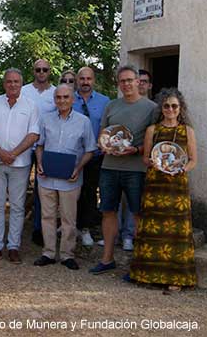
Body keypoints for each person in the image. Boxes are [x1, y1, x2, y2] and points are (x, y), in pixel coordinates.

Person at [128, 88, 198, 291]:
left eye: (174, 106)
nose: (170, 109)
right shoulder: (153, 130)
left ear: (180, 108)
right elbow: (145, 158)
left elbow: (193, 160)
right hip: (155, 186)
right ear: (162, 108)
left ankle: (176, 279)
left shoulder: (188, 131)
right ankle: (147, 275)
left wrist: (182, 168)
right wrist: (151, 162)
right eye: (166, 106)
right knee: (152, 229)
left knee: (176, 232)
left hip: (177, 187)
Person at [90, 65, 157, 275]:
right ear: (118, 84)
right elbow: (103, 134)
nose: (126, 84)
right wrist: (104, 145)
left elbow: (155, 141)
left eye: (130, 80)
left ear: (138, 82)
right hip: (110, 166)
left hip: (136, 169)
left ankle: (138, 265)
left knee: (137, 214)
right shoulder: (111, 106)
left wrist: (136, 149)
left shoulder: (152, 108)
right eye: (122, 81)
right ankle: (107, 259)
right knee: (108, 212)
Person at [33, 84, 96, 270]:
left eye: (66, 97)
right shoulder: (45, 119)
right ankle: (49, 253)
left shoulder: (83, 121)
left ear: (73, 99)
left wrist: (79, 167)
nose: (62, 101)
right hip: (47, 177)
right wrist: (40, 163)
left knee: (69, 219)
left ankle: (68, 254)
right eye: (58, 97)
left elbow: (90, 149)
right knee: (47, 216)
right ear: (55, 100)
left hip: (71, 179)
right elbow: (39, 145)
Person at [0, 69, 40, 263]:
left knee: (17, 206)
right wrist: (0, 153)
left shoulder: (31, 106)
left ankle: (13, 246)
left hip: (20, 164)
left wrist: (12, 154)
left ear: (21, 84)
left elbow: (33, 134)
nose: (12, 84)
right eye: (9, 81)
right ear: (4, 83)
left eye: (16, 82)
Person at [72, 66, 110, 247]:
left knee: (90, 192)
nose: (85, 82)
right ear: (77, 80)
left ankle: (86, 228)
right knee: (73, 193)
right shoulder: (69, 99)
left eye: (89, 79)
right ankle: (73, 227)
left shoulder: (104, 101)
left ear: (94, 80)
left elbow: (109, 126)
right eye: (82, 79)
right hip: (72, 156)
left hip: (95, 156)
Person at [21, 59, 56, 247]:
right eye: (38, 69)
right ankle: (15, 229)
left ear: (49, 71)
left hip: (46, 147)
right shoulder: (24, 91)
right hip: (25, 146)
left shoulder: (55, 93)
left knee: (43, 189)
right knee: (19, 188)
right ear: (33, 71)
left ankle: (39, 229)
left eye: (45, 69)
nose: (41, 72)